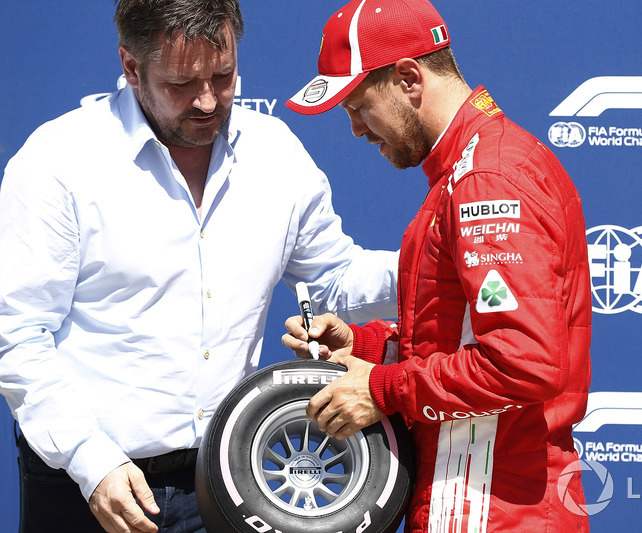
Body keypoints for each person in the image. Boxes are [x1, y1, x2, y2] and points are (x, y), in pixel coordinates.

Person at [0, 1, 399, 532]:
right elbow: (17, 332)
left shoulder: (274, 151)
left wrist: (443, 259)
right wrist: (91, 461)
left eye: (224, 75)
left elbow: (334, 279)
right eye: (181, 84)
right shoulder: (58, 162)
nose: (209, 100)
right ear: (130, 67)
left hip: (230, 480)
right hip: (89, 487)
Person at [282, 0, 592, 531]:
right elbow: (470, 331)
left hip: (493, 502)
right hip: (479, 493)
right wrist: (369, 348)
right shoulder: (471, 167)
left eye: (357, 106)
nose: (356, 129)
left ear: (408, 78)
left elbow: (523, 362)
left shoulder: (487, 178)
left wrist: (382, 388)